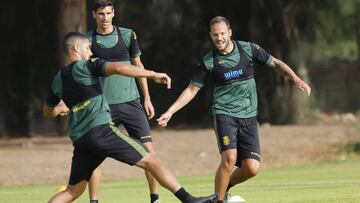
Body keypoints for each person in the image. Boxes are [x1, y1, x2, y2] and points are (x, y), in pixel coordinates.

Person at [44, 31, 217, 203]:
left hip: (81, 140)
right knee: (152, 161)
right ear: (76, 48)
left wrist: (60, 108)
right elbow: (119, 67)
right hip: (101, 131)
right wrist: (153, 74)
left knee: (72, 191)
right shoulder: (88, 66)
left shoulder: (58, 79)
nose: (91, 52)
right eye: (88, 48)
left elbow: (47, 111)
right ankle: (189, 200)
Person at [157, 16, 311, 203]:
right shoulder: (209, 61)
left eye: (222, 33)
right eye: (215, 35)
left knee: (252, 168)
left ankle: (225, 186)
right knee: (229, 158)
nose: (219, 38)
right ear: (210, 36)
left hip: (248, 115)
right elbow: (191, 90)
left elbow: (276, 63)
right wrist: (170, 112)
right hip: (225, 115)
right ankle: (219, 200)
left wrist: (295, 78)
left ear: (229, 32)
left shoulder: (247, 49)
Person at [86, 1, 160, 202]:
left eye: (108, 13)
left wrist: (147, 97)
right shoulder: (87, 41)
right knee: (93, 156)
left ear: (113, 13)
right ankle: (94, 201)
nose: (105, 17)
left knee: (149, 152)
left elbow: (138, 65)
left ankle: (155, 198)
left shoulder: (127, 35)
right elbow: (81, 75)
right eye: (101, 13)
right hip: (103, 107)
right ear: (94, 15)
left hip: (131, 103)